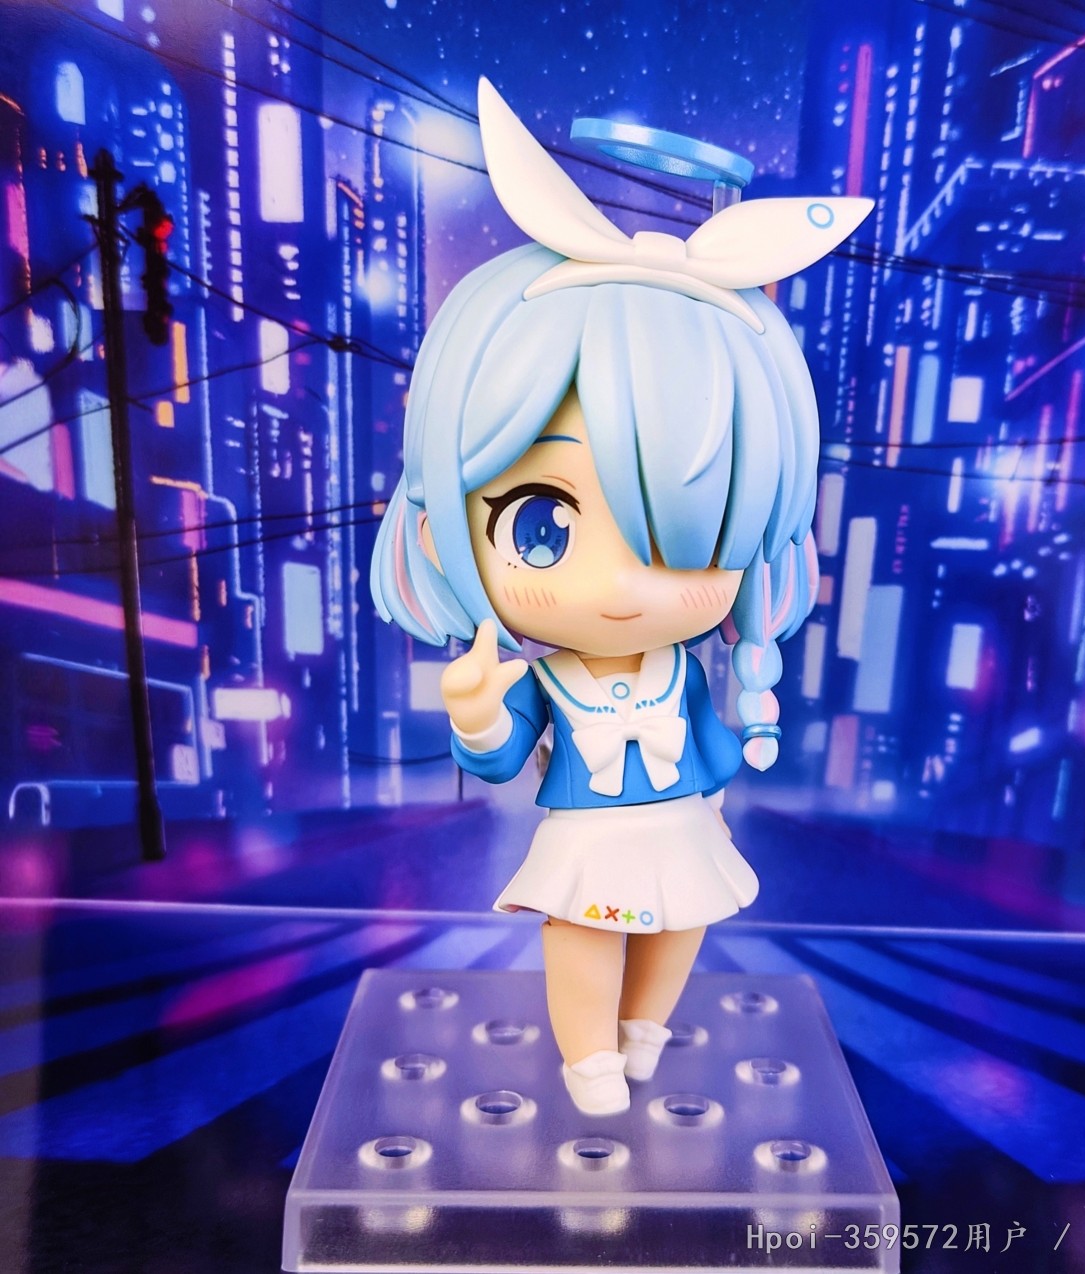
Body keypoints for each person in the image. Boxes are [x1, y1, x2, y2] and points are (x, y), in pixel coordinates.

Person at [371, 80, 871, 1114]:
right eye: (541, 525)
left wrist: (724, 776)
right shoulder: (548, 677)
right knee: (585, 931)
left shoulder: (681, 666)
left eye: (696, 540)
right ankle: (588, 1056)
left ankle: (643, 1030)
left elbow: (712, 746)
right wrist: (475, 712)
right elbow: (501, 755)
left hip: (679, 820)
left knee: (682, 922)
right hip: (588, 832)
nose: (623, 585)